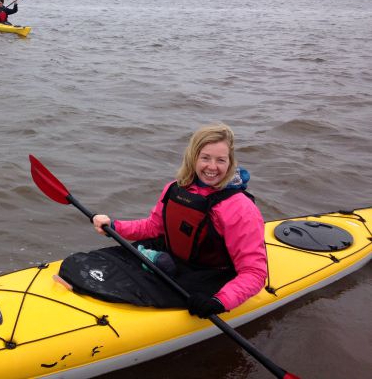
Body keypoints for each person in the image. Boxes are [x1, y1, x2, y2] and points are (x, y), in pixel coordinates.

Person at [92, 123, 267, 318]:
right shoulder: (175, 188)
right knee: (98, 263)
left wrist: (220, 301)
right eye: (205, 158)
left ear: (230, 162)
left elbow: (254, 272)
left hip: (210, 275)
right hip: (174, 259)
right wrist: (115, 226)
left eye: (221, 160)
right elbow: (154, 227)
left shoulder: (240, 208)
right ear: (193, 158)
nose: (212, 167)